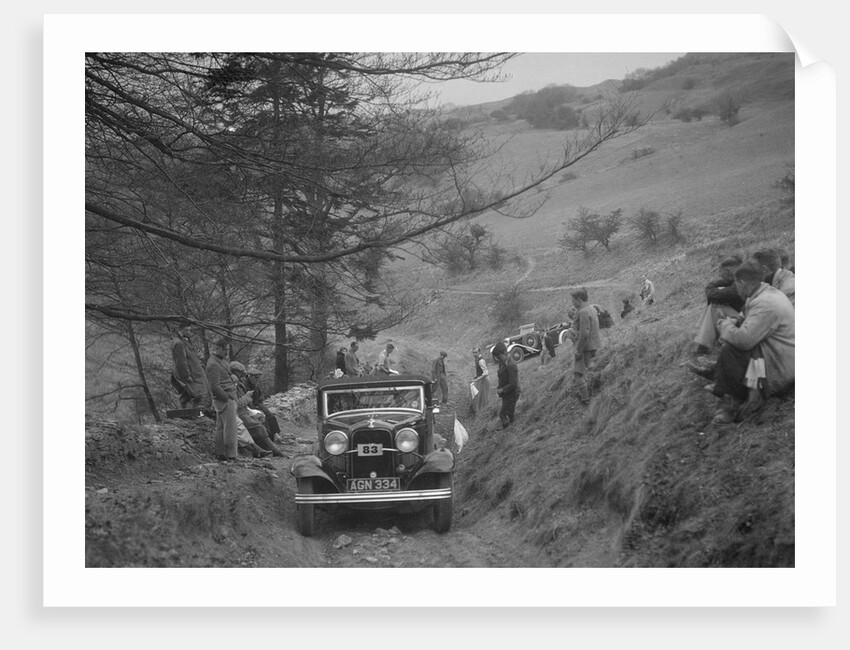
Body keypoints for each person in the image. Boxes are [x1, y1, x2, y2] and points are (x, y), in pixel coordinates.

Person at [709, 262, 795, 423]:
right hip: (774, 355)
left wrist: (725, 326)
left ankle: (733, 402)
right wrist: (735, 321)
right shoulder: (763, 293)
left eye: (736, 284)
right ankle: (726, 383)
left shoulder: (765, 303)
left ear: (741, 283)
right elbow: (744, 316)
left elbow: (743, 341)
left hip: (781, 367)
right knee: (734, 343)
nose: (736, 289)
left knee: (730, 350)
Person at [690, 256, 745, 358]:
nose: (719, 275)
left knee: (714, 306)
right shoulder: (733, 279)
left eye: (721, 272)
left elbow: (714, 294)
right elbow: (710, 288)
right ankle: (701, 344)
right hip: (741, 315)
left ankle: (702, 346)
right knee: (713, 304)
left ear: (728, 271)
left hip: (745, 319)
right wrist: (717, 290)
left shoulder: (741, 281)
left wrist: (717, 291)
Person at [229, 362, 280, 457]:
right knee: (257, 425)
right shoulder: (234, 383)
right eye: (240, 373)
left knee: (264, 418)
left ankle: (268, 447)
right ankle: (270, 449)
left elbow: (257, 397)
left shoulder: (240, 383)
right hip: (238, 412)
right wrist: (248, 397)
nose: (242, 376)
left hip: (245, 409)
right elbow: (235, 403)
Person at [205, 338, 240, 462]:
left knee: (221, 427)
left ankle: (220, 453)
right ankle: (231, 455)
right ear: (217, 348)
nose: (226, 352)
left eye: (227, 350)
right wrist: (226, 397)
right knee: (230, 428)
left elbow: (227, 375)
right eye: (224, 349)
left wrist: (233, 377)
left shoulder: (221, 361)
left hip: (227, 397)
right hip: (224, 399)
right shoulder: (213, 364)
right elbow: (214, 386)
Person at [570, 287, 600, 404]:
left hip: (586, 347)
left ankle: (585, 399)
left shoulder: (583, 312)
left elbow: (584, 334)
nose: (572, 303)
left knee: (578, 374)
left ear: (579, 300)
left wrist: (578, 350)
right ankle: (594, 391)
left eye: (573, 301)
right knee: (590, 370)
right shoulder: (592, 308)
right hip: (595, 344)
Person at [171, 325, 209, 408]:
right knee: (195, 393)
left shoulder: (184, 340)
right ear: (180, 330)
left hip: (195, 372)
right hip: (191, 374)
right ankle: (188, 412)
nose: (188, 332)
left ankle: (191, 412)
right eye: (186, 330)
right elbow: (181, 361)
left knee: (195, 393)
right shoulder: (179, 343)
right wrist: (187, 375)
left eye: (189, 330)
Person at [243, 366, 282, 442]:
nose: (257, 380)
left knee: (271, 416)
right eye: (255, 378)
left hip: (257, 404)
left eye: (258, 378)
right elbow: (246, 399)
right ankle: (270, 438)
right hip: (249, 406)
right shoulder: (245, 385)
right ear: (250, 376)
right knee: (264, 418)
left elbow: (259, 395)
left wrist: (260, 402)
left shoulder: (254, 385)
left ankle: (275, 434)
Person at [492, 341, 520, 429]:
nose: (498, 359)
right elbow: (501, 376)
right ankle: (511, 426)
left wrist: (502, 390)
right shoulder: (502, 362)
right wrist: (499, 388)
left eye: (499, 356)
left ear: (504, 353)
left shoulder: (511, 365)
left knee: (502, 413)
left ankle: (508, 429)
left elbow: (513, 383)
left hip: (512, 393)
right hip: (506, 393)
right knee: (509, 411)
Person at [470, 347, 490, 416]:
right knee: (479, 397)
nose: (474, 354)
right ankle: (480, 412)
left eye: (475, 352)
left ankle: (484, 413)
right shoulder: (476, 359)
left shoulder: (481, 361)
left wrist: (478, 379)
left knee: (483, 397)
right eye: (473, 353)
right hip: (480, 379)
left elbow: (486, 373)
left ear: (479, 352)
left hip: (484, 380)